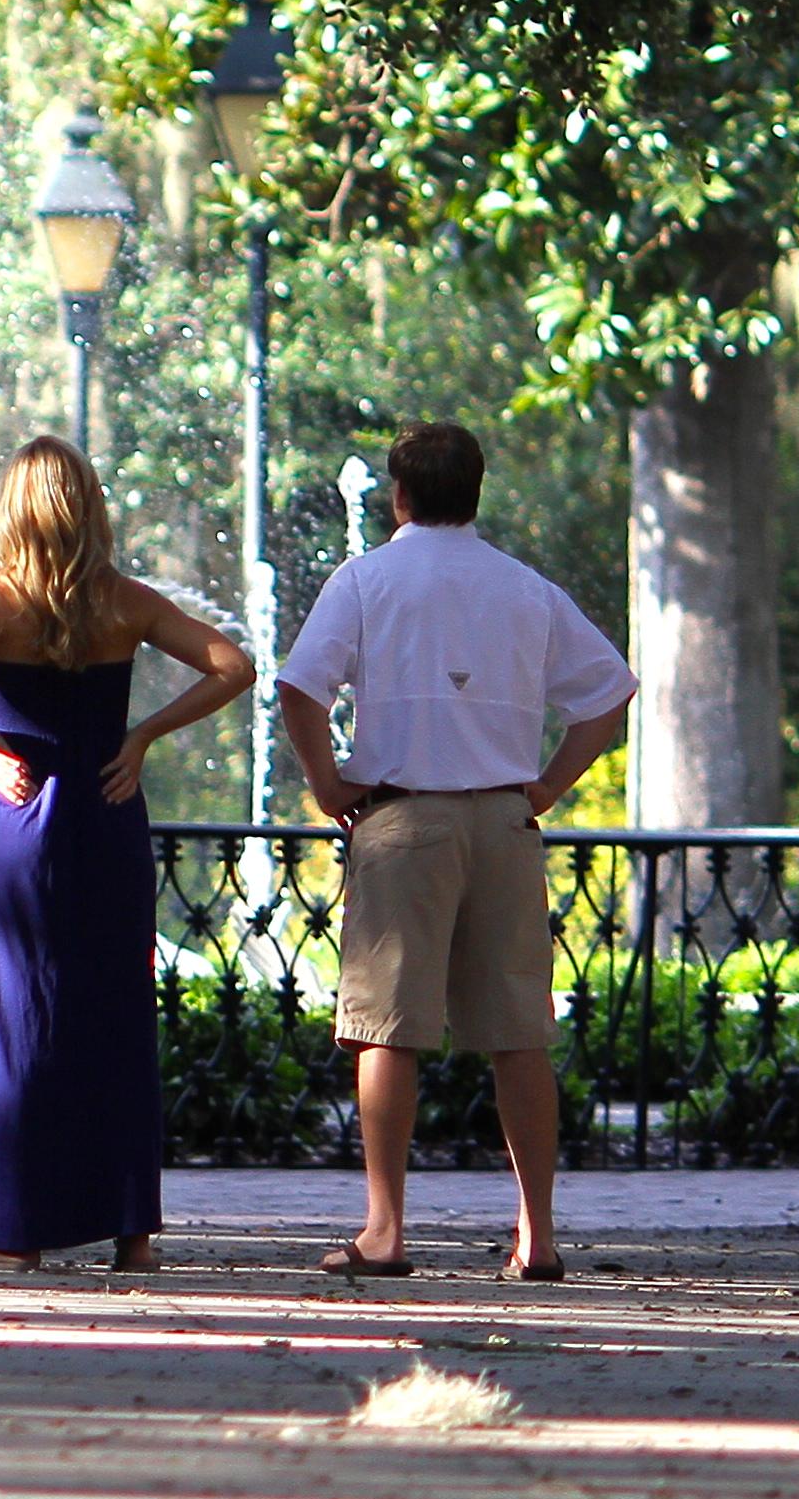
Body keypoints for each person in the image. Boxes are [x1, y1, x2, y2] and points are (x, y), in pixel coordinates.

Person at [272, 419, 636, 1284]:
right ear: (476, 492)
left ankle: (386, 1232)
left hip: (401, 819)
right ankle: (537, 1238)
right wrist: (544, 788)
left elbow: (299, 688)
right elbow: (609, 692)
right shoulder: (523, 588)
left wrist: (329, 786)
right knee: (519, 1034)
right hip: (504, 824)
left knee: (386, 1032)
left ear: (398, 495)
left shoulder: (366, 580)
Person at [0, 438, 253, 1270]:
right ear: (90, 505)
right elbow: (235, 664)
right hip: (107, 810)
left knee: (18, 1016)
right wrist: (146, 735)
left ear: (12, 510)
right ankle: (133, 1236)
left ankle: (13, 1238)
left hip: (18, 823)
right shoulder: (127, 601)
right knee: (116, 1015)